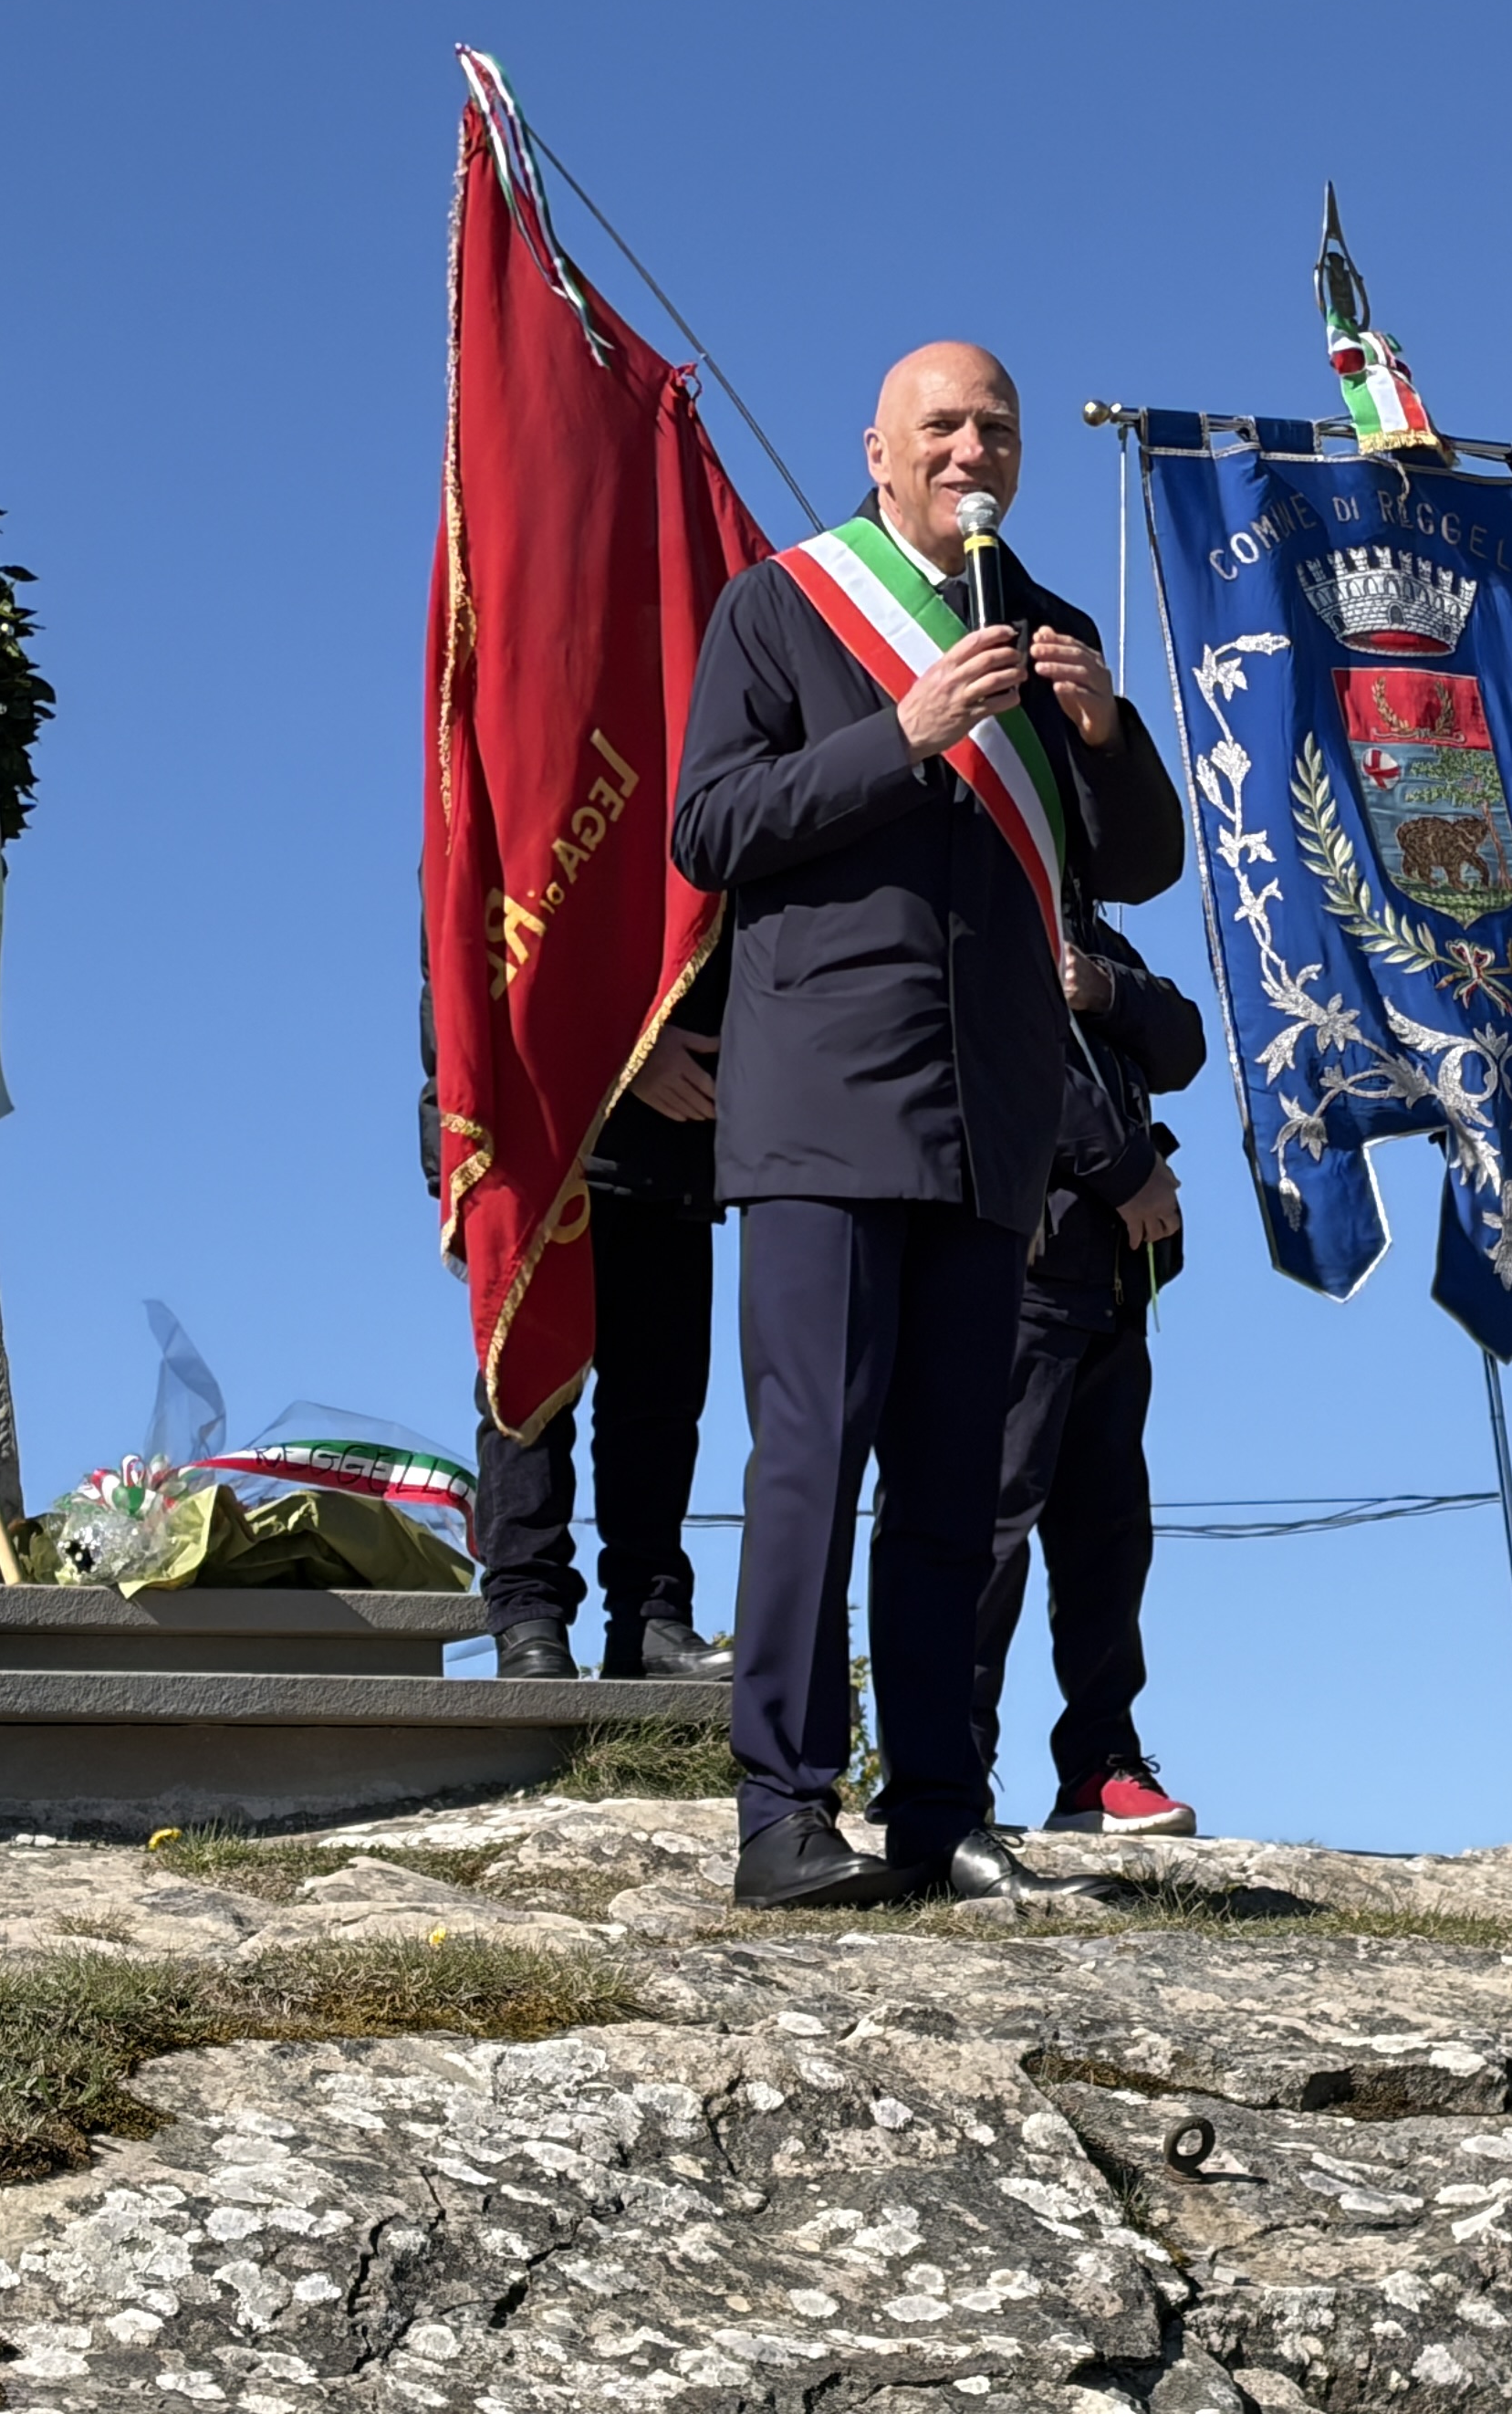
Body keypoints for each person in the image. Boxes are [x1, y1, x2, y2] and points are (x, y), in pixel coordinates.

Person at [670, 341, 1185, 1909]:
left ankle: (940, 1808)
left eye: (996, 429)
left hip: (992, 1116)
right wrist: (899, 730)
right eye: (943, 426)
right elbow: (711, 824)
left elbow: (1140, 864)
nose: (973, 450)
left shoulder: (1045, 624)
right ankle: (782, 1808)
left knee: (957, 1481)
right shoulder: (782, 603)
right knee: (812, 1458)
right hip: (826, 1101)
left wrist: (1104, 734)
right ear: (879, 452)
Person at [421, 936, 738, 1686]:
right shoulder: (479, 841)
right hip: (534, 1141)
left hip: (673, 1145)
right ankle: (527, 1613)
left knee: (660, 1404)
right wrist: (624, 1053)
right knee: (528, 1393)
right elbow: (470, 954)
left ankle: (651, 1619)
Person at [972, 906, 1206, 1837]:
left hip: (1113, 1285)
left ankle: (1100, 1764)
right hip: (1014, 1276)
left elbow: (1182, 1044)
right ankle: (949, 1768)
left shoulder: (1093, 933)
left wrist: (1103, 987)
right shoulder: (976, 902)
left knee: (1110, 1540)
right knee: (985, 1530)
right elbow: (999, 1048)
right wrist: (1124, 1167)